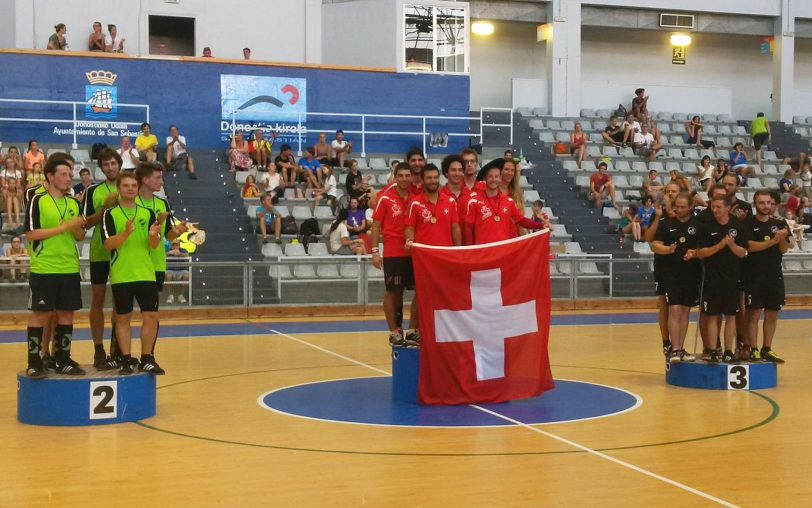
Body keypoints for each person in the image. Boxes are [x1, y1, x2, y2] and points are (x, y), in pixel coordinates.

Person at [23, 157, 86, 378]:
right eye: (63, 174)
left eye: (70, 175)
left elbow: (79, 236)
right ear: (50, 176)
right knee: (40, 315)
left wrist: (77, 227)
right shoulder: (37, 201)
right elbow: (31, 234)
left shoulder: (73, 203)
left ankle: (63, 360)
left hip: (69, 267)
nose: (69, 179)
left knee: (67, 314)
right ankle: (34, 361)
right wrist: (64, 227)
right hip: (44, 267)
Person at [101, 172, 164, 374]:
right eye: (126, 185)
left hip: (146, 273)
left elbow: (153, 245)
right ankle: (126, 359)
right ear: (119, 189)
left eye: (133, 185)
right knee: (122, 318)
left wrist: (154, 236)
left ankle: (147, 357)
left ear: (138, 188)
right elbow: (108, 245)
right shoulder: (110, 215)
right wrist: (126, 233)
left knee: (151, 316)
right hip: (122, 275)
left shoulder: (147, 213)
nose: (130, 188)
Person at [82, 148, 124, 370]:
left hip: (123, 254)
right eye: (105, 165)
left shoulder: (129, 187)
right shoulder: (93, 191)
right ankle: (99, 350)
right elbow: (85, 224)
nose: (110, 167)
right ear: (101, 168)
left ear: (119, 164)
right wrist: (104, 211)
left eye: (113, 163)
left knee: (121, 303)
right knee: (97, 302)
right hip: (100, 252)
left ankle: (117, 349)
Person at [696, 196, 749, 363]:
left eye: (719, 207)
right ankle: (712, 350)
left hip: (732, 279)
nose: (715, 210)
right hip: (712, 279)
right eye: (713, 206)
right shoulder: (706, 227)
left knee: (731, 316)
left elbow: (744, 253)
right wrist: (719, 246)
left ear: (727, 208)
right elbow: (700, 253)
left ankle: (728, 351)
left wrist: (731, 245)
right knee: (712, 316)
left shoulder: (738, 226)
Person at [651, 193, 701, 363]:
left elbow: (704, 246)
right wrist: (668, 250)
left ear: (690, 207)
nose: (679, 210)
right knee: (674, 309)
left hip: (691, 272)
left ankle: (681, 347)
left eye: (683, 207)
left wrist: (695, 253)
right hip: (670, 272)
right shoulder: (666, 223)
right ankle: (675, 349)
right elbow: (655, 245)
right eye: (676, 207)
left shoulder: (698, 223)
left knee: (686, 310)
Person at [371, 164, 417, 347]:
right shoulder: (385, 199)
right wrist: (375, 252)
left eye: (408, 175)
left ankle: (413, 330)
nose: (405, 178)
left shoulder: (416, 198)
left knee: (420, 292)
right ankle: (395, 331)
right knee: (394, 292)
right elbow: (375, 225)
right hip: (393, 253)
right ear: (395, 177)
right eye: (401, 175)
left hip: (414, 253)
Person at [745, 190, 793, 363]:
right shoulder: (748, 223)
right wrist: (773, 240)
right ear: (755, 204)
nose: (766, 206)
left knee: (772, 313)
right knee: (753, 314)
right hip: (753, 275)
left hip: (774, 275)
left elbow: (784, 248)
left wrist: (781, 238)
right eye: (762, 203)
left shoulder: (780, 222)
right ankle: (753, 349)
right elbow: (750, 247)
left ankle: (767, 348)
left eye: (769, 203)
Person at [136, 162, 186, 305]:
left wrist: (177, 231)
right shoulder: (130, 203)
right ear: (145, 180)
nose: (162, 182)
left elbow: (168, 236)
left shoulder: (162, 204)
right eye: (158, 178)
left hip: (156, 264)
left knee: (151, 312)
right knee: (124, 313)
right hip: (134, 265)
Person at [463, 160, 543, 245]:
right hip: (483, 254)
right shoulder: (474, 201)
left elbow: (522, 220)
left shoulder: (509, 202)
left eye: (496, 176)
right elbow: (468, 229)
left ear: (500, 178)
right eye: (490, 176)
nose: (493, 180)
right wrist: (470, 252)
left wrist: (541, 226)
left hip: (504, 252)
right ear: (485, 178)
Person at [645, 182, 682, 356]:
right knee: (665, 305)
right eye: (668, 191)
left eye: (674, 191)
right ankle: (666, 341)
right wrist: (658, 216)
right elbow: (648, 238)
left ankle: (678, 343)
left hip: (685, 266)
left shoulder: (686, 213)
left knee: (681, 307)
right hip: (664, 265)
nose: (671, 194)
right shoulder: (659, 215)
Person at [440, 154, 471, 219]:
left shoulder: (471, 196)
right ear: (446, 172)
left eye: (460, 170)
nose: (457, 174)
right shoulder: (439, 195)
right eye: (453, 170)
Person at [165, 239, 190, 304]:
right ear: (171, 245)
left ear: (179, 245)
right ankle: (171, 295)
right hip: (170, 269)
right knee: (168, 275)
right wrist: (168, 253)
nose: (175, 246)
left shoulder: (183, 250)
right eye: (173, 245)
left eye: (176, 245)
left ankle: (181, 295)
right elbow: (162, 255)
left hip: (182, 270)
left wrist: (180, 254)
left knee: (187, 275)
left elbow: (187, 255)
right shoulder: (168, 250)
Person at [1, 157, 23, 229]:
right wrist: (9, 186)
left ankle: (17, 218)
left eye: (11, 162)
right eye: (8, 163)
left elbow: (19, 184)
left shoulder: (18, 172)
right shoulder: (3, 172)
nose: (10, 164)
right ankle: (10, 219)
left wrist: (13, 186)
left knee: (16, 198)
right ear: (6, 164)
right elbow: (3, 183)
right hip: (7, 189)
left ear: (14, 163)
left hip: (15, 189)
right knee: (9, 198)